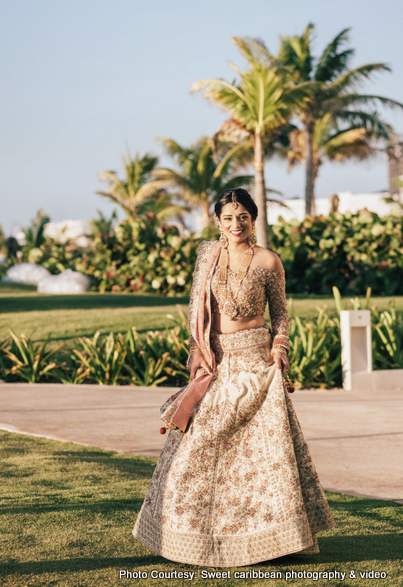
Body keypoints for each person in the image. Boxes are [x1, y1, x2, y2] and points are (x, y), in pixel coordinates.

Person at [133, 188, 335, 567]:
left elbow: (281, 316)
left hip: (257, 366)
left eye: (242, 217)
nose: (235, 224)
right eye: (228, 218)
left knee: (265, 456)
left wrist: (280, 348)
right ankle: (185, 536)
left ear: (253, 219)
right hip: (218, 363)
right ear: (218, 222)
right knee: (196, 449)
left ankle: (275, 540)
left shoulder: (268, 261)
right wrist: (197, 351)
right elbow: (199, 310)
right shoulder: (207, 258)